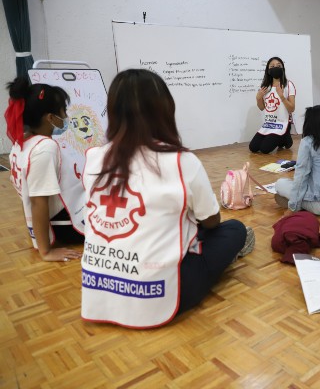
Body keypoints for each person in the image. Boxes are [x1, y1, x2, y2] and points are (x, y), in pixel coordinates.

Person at [81, 69, 254, 328]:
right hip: (158, 294)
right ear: (164, 110)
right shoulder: (182, 161)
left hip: (100, 289)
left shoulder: (94, 157)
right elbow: (211, 221)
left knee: (182, 227)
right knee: (234, 230)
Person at [5, 77, 84, 262]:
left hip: (61, 217)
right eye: (63, 111)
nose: (65, 117)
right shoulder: (45, 148)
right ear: (50, 118)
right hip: (68, 224)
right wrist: (46, 251)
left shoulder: (21, 142)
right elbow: (38, 201)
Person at [249, 56, 296, 153]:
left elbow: (291, 109)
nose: (276, 68)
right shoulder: (266, 87)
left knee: (265, 149)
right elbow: (262, 108)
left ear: (283, 68)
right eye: (272, 66)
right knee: (253, 148)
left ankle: (285, 136)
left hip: (281, 123)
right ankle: (284, 138)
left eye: (279, 65)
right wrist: (258, 98)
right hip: (269, 124)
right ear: (268, 70)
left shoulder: (288, 85)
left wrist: (282, 96)